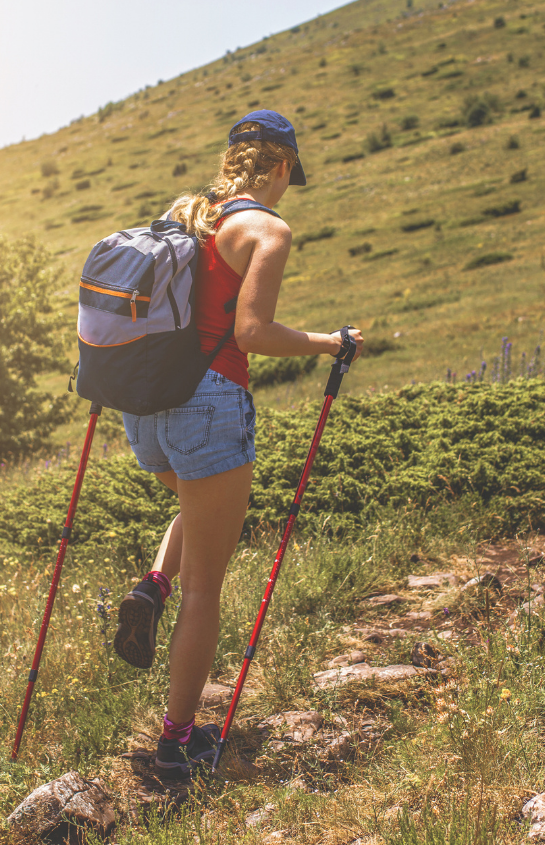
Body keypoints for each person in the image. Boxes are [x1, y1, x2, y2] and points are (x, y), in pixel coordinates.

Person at [111, 109, 363, 776]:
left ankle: (152, 585)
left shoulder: (182, 214)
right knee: (208, 590)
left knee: (195, 512)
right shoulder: (267, 229)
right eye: (289, 177)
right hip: (209, 402)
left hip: (144, 410)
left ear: (231, 162)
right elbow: (252, 333)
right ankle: (178, 741)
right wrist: (328, 343)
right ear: (280, 168)